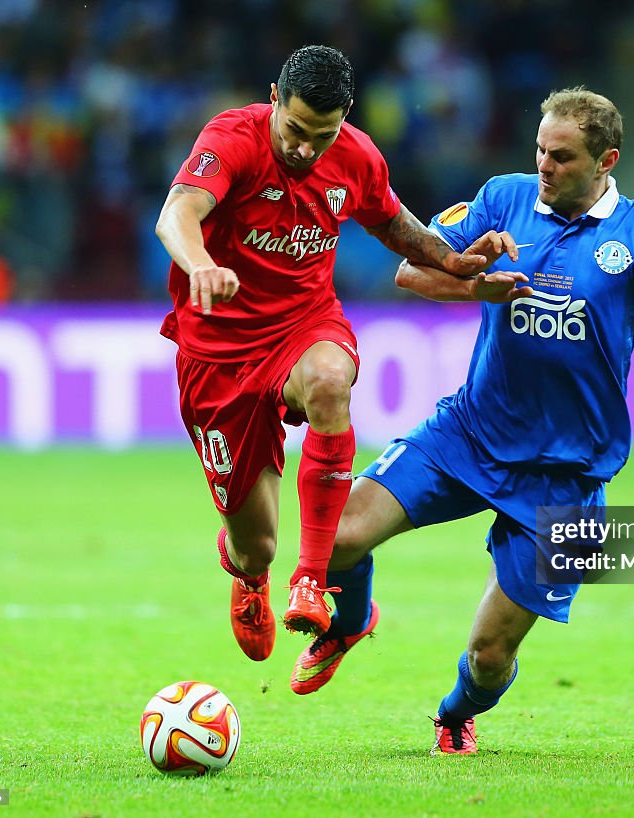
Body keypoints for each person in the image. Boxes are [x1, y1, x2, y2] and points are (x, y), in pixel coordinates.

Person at [286, 87, 634, 754]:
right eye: (540, 151)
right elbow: (412, 270)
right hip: (470, 433)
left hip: (567, 475)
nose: (544, 167)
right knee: (336, 540)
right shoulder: (503, 198)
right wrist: (474, 284)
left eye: (562, 157)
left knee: (490, 657)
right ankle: (346, 622)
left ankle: (454, 712)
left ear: (606, 160)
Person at [155, 45, 500, 662]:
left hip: (303, 324)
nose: (306, 149)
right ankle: (251, 577)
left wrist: (449, 259)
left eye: (323, 134)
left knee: (328, 381)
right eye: (295, 131)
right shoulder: (231, 140)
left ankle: (311, 580)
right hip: (218, 353)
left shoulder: (356, 156)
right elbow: (177, 214)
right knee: (254, 545)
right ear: (273, 100)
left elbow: (393, 223)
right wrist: (202, 264)